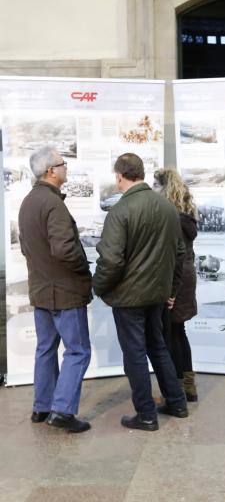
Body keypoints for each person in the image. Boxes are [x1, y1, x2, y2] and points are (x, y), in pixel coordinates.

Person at [93, 153, 188, 432]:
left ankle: (146, 414)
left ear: (119, 176)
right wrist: (170, 290)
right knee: (158, 347)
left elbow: (111, 260)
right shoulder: (168, 208)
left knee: (134, 353)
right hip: (157, 295)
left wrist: (97, 287)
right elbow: (179, 254)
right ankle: (177, 403)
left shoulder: (120, 212)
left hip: (129, 298)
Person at [17, 146, 92, 433]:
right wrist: (84, 271)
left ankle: (42, 406)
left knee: (45, 349)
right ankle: (62, 411)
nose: (66, 168)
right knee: (78, 351)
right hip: (64, 292)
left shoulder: (28, 202)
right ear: (51, 171)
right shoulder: (53, 204)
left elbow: (28, 248)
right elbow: (64, 250)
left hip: (41, 290)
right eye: (63, 164)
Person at [154, 168, 199, 402]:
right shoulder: (186, 215)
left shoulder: (172, 218)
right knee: (178, 331)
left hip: (177, 277)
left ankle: (175, 391)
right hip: (186, 275)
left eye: (155, 185)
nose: (152, 189)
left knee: (170, 334)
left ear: (164, 188)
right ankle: (187, 388)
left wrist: (170, 290)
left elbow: (173, 256)